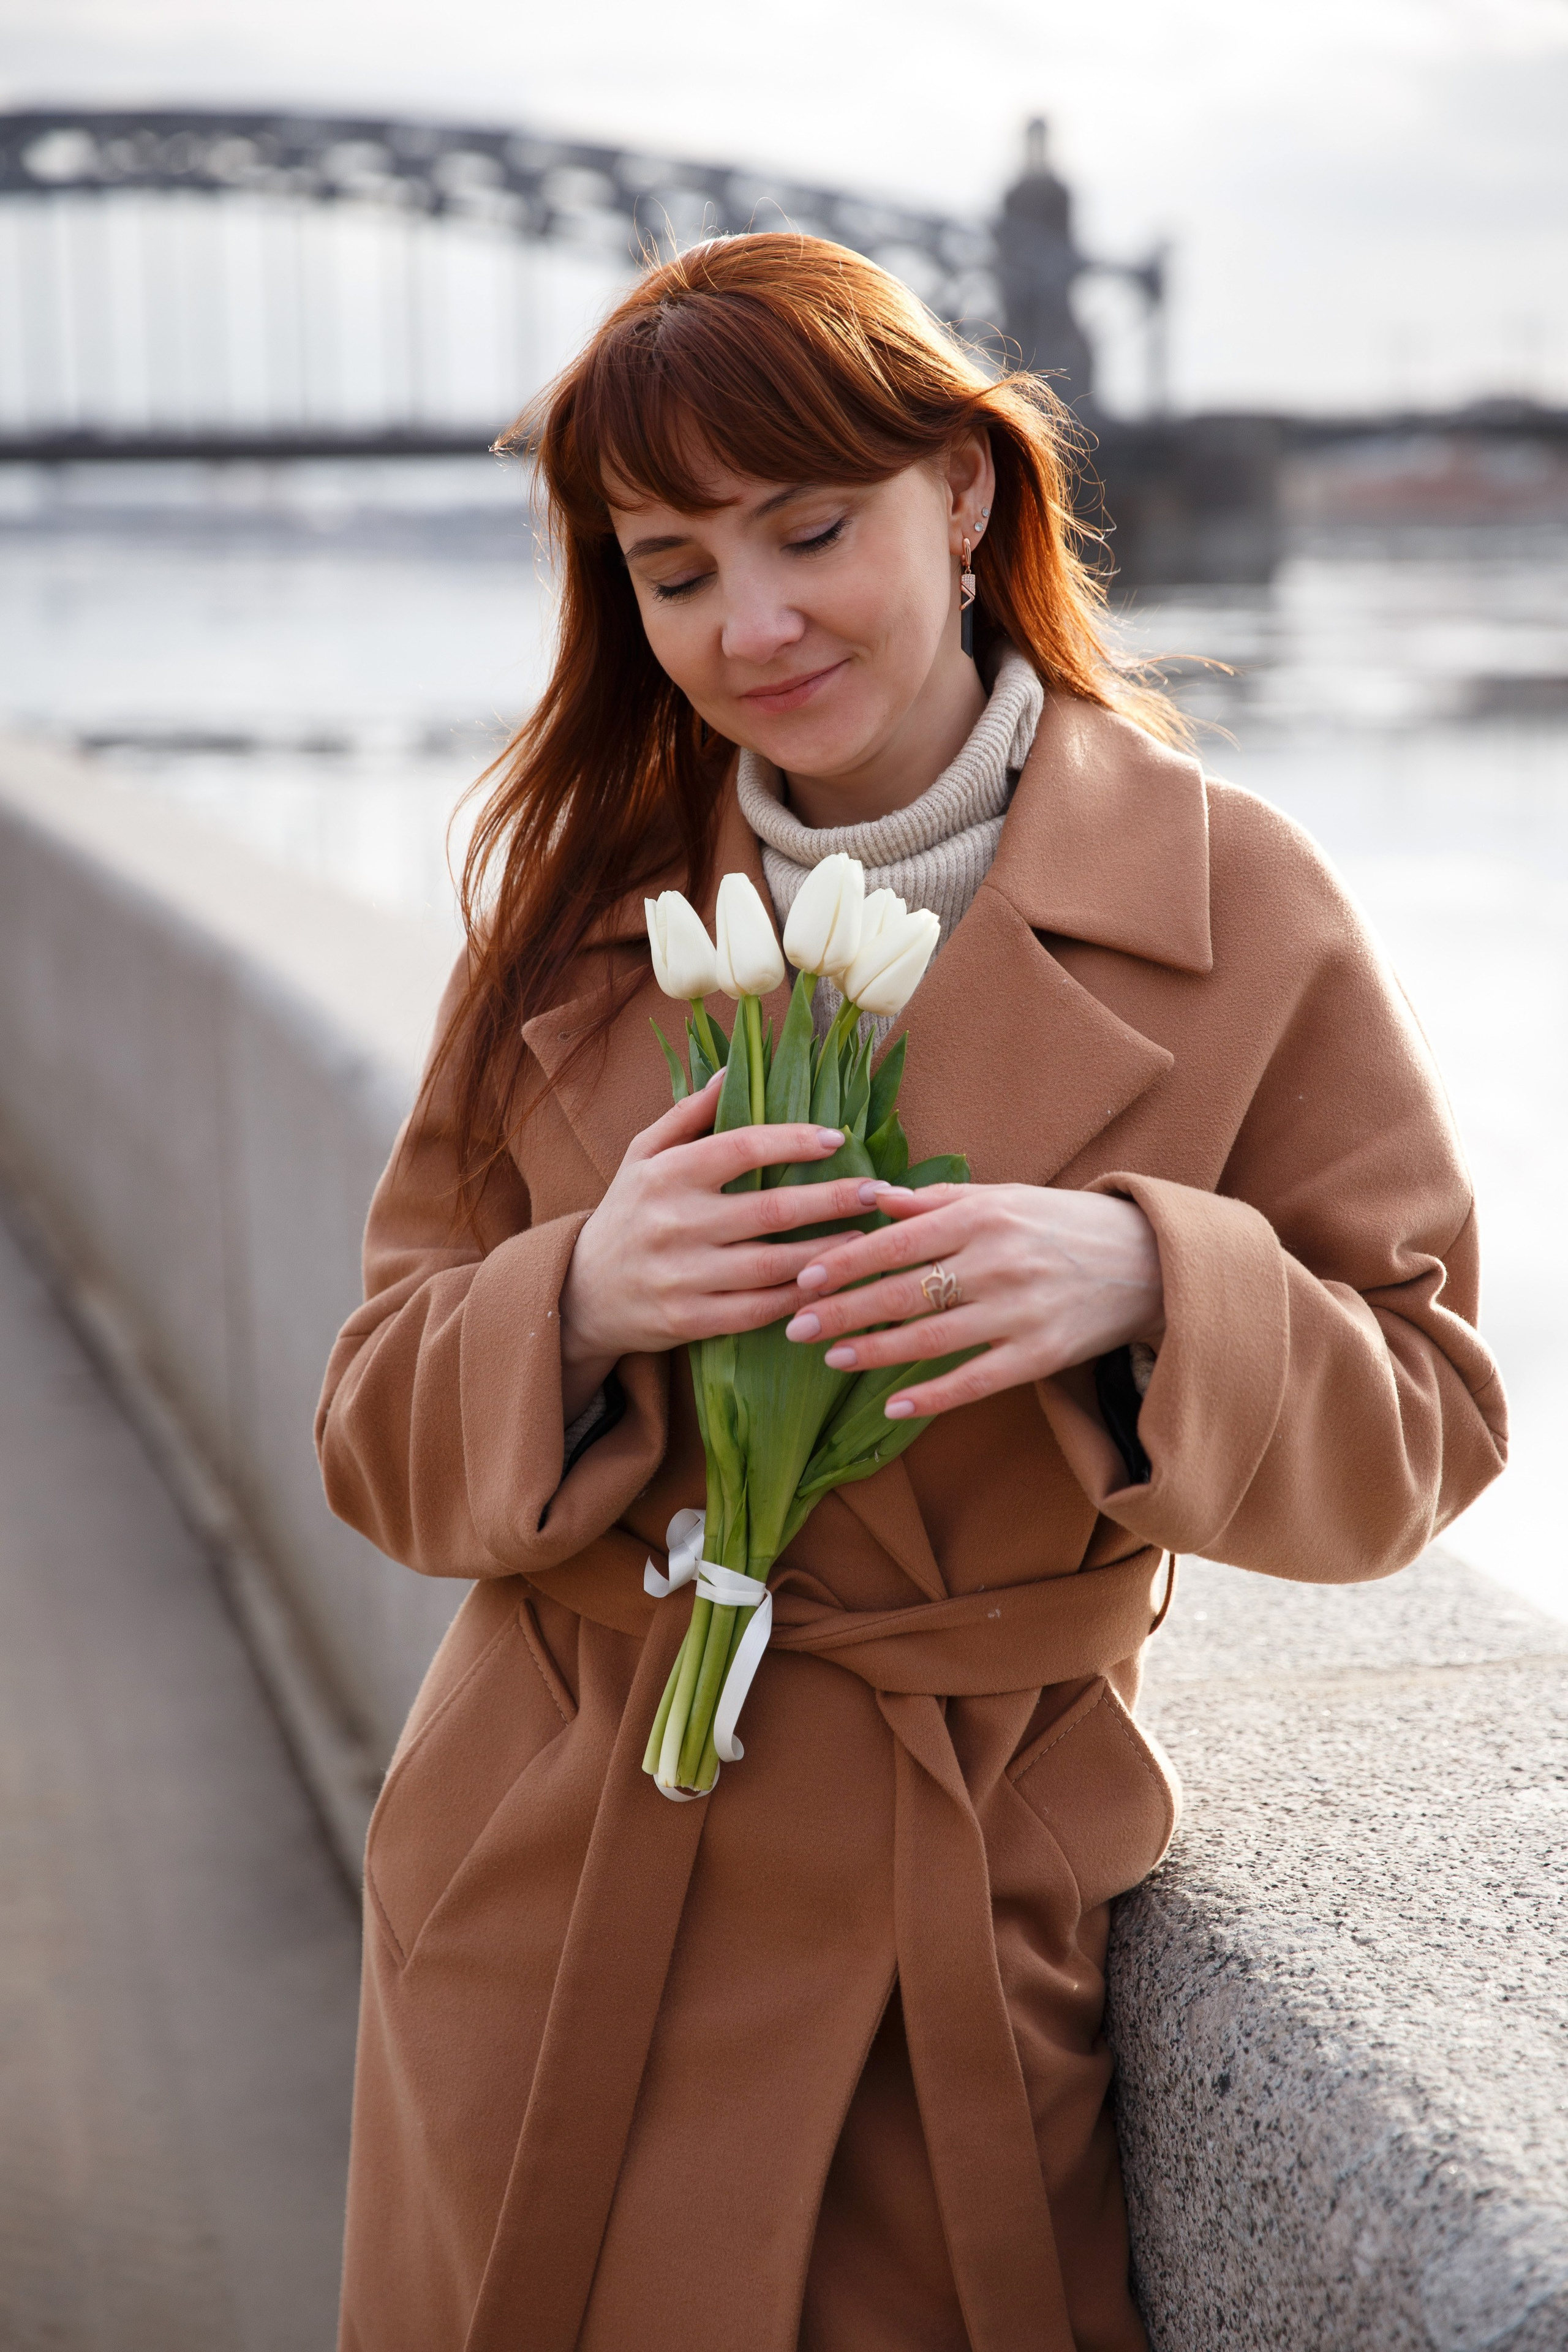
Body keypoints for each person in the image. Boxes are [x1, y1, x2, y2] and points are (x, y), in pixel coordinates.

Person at [315, 234, 1506, 2352]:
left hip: (947, 1913)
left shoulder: (1235, 904)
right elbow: (376, 1430)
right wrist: (574, 1302)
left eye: (808, 530)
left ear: (963, 498)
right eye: (673, 569)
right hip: (542, 1877)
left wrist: (1153, 1279)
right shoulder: (589, 918)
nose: (749, 624)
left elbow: (1426, 1421)